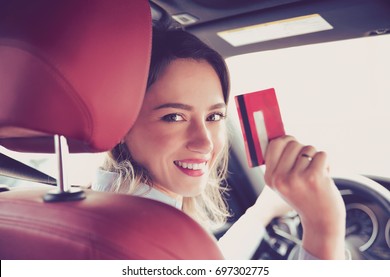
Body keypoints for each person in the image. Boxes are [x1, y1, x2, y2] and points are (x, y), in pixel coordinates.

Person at [92, 22, 346, 260]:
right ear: (122, 123)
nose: (205, 143)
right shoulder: (151, 241)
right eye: (174, 117)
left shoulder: (95, 209)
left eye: (214, 116)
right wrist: (324, 227)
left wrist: (261, 212)